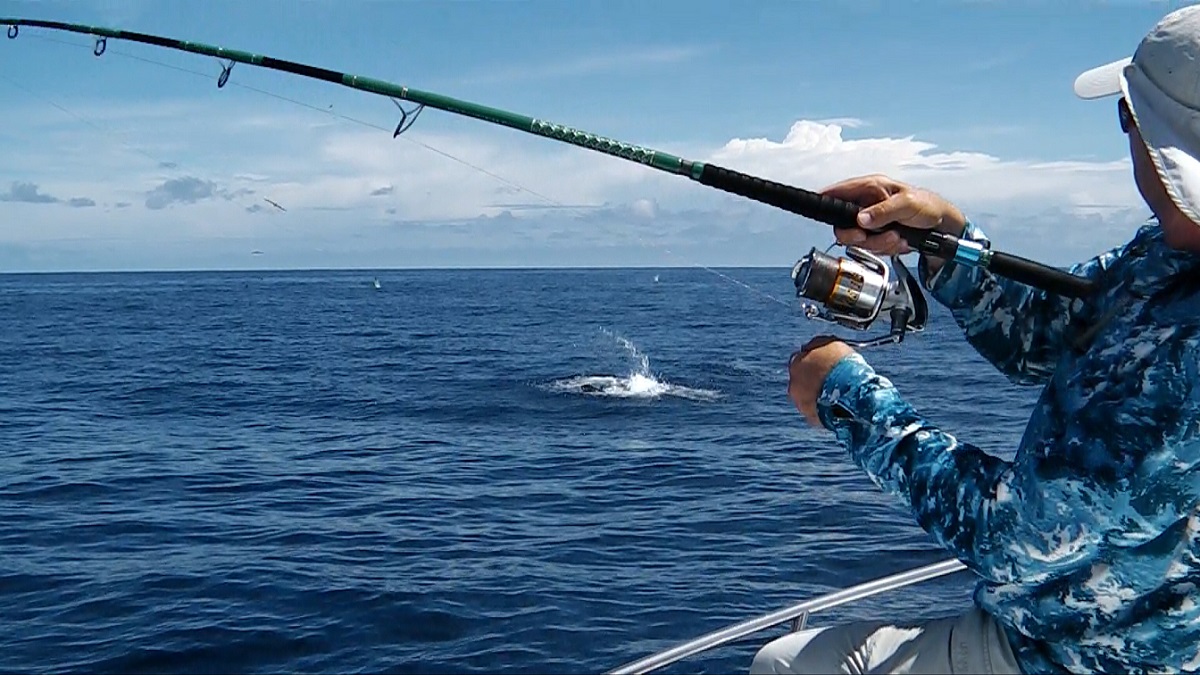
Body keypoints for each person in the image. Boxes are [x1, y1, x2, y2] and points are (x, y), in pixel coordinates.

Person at [751, 6, 1200, 675]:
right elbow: (1044, 335)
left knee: (787, 665)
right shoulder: (1165, 256)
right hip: (1094, 623)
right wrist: (942, 237)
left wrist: (845, 394)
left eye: (1127, 116)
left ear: (1155, 139)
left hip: (1088, 654)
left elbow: (1027, 540)